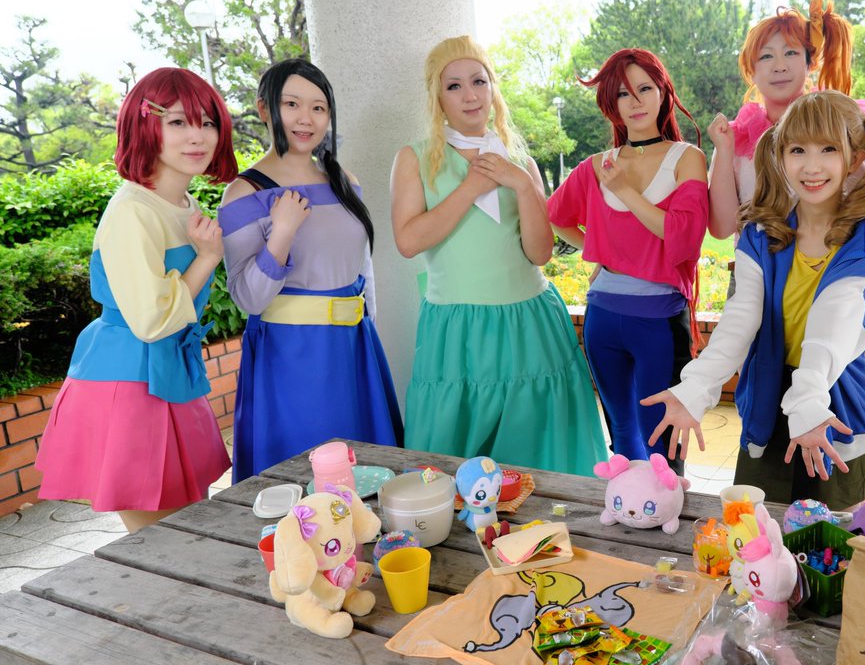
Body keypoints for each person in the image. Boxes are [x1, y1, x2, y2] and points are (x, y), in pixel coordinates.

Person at [644, 91, 865, 508]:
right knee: (757, 525)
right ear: (780, 155)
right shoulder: (762, 232)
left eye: (828, 149)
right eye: (798, 150)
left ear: (856, 157)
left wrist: (808, 402)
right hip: (768, 397)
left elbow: (836, 323)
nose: (811, 166)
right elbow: (741, 317)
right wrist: (695, 387)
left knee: (832, 532)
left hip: (833, 395)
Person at [390, 35, 606, 475]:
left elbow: (540, 253)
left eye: (479, 81)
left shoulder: (521, 163)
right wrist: (472, 187)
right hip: (458, 331)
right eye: (454, 86)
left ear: (493, 88)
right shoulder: (414, 159)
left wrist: (523, 185)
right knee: (454, 456)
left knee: (537, 452)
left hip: (529, 324)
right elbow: (408, 241)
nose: (470, 95)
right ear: (437, 98)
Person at [35, 68, 238, 532]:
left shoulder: (183, 204)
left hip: (170, 372)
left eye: (207, 123)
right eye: (178, 122)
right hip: (132, 380)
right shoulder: (132, 210)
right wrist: (208, 257)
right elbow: (151, 320)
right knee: (160, 541)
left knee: (191, 529)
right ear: (145, 127)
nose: (198, 136)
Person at [219, 58, 403, 483]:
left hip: (355, 350)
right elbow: (248, 298)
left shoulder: (344, 181)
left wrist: (370, 340)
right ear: (264, 109)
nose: (306, 118)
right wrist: (282, 233)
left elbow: (364, 270)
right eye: (292, 104)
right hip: (291, 357)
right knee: (303, 479)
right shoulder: (244, 193)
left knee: (367, 474)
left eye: (318, 107)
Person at [548, 48, 708, 471]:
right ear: (611, 104)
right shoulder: (596, 166)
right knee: (621, 436)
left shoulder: (686, 157)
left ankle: (667, 505)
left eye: (645, 89)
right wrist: (599, 252)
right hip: (602, 315)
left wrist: (624, 192)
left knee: (661, 438)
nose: (635, 102)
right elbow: (556, 216)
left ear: (663, 93)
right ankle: (627, 504)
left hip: (659, 318)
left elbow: (684, 236)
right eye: (623, 93)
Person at [707, 0, 854, 241]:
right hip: (753, 263)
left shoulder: (837, 126)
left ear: (810, 63)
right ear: (751, 70)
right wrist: (724, 150)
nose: (779, 66)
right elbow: (722, 229)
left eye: (791, 52)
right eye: (766, 56)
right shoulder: (734, 139)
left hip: (828, 261)